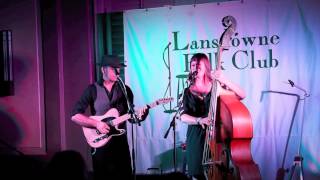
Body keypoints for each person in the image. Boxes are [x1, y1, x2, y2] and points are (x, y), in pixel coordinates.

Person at [71, 55, 149, 180]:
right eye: (114, 69)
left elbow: (131, 117)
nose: (118, 72)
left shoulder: (125, 90)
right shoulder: (92, 90)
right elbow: (75, 115)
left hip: (120, 145)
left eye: (119, 69)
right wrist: (97, 124)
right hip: (100, 144)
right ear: (103, 70)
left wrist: (141, 116)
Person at [179, 53, 245, 180]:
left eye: (199, 65)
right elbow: (182, 116)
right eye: (193, 65)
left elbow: (241, 94)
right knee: (199, 174)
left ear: (206, 68)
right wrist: (199, 120)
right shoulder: (186, 91)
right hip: (196, 137)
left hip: (216, 138)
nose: (195, 68)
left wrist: (224, 79)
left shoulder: (216, 87)